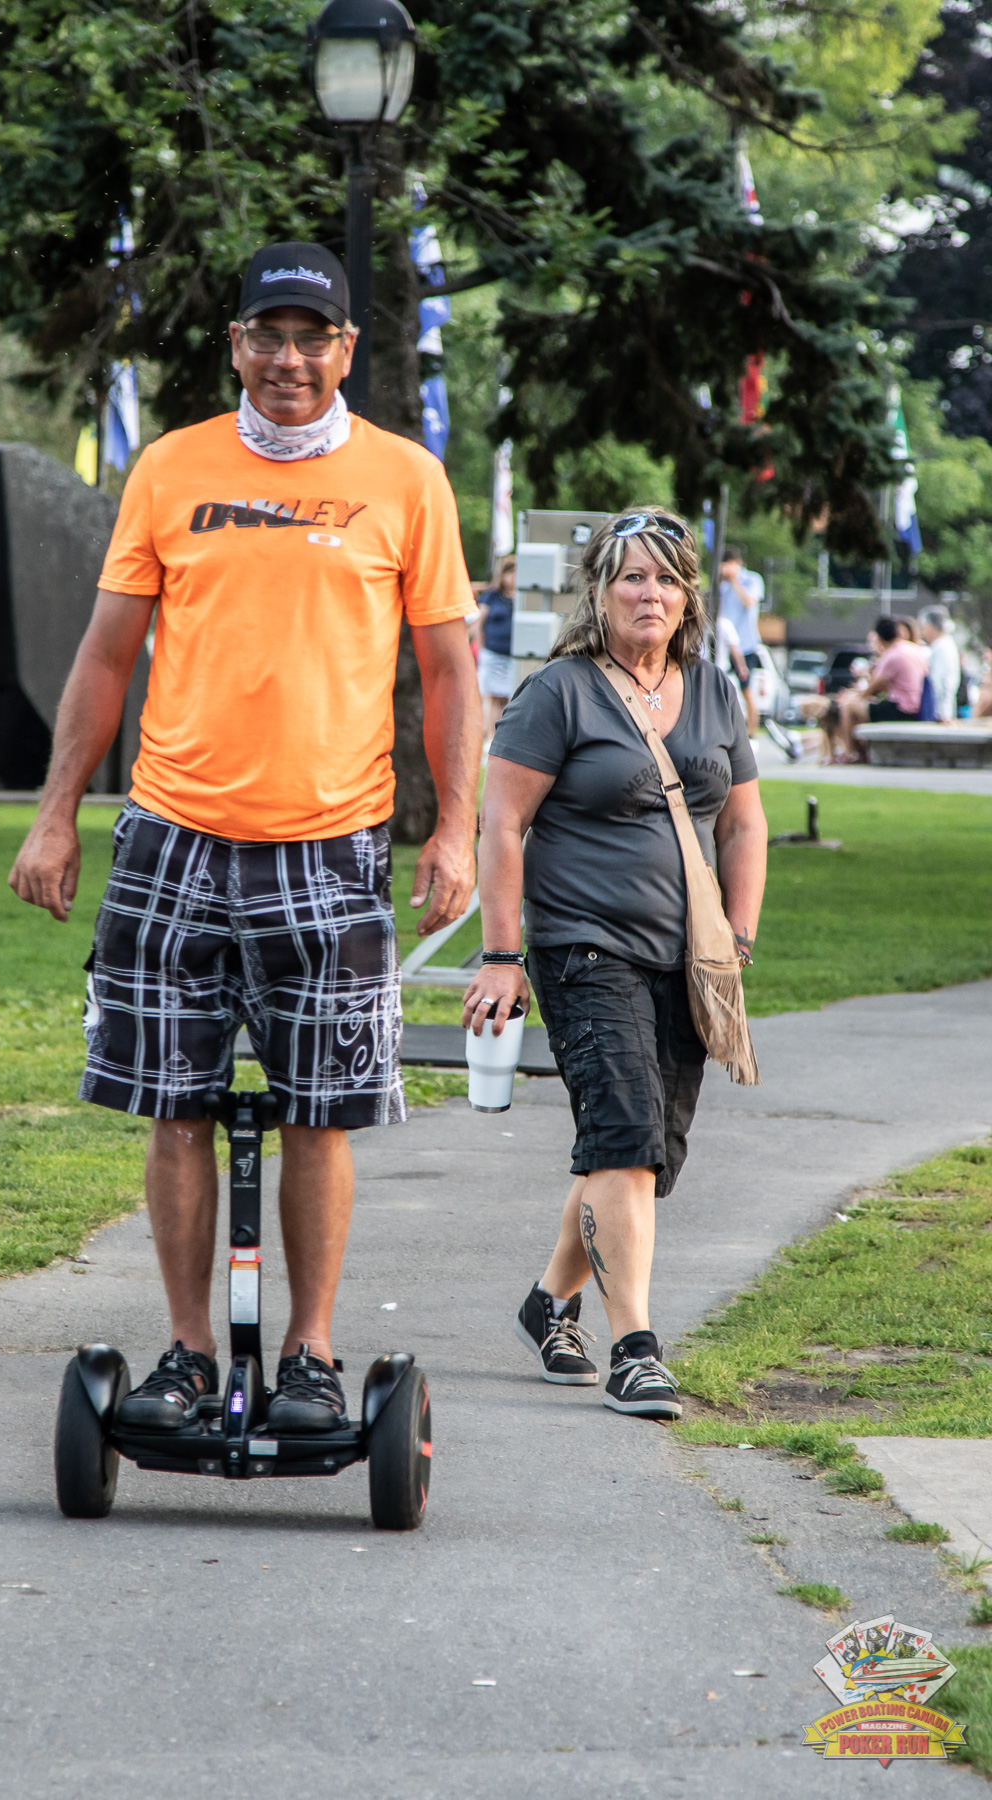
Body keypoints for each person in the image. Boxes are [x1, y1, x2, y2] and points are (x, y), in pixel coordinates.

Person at [9, 241, 481, 1435]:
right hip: (172, 840)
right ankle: (185, 1354)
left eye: (312, 339)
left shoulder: (407, 480)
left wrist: (457, 830)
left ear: (347, 351)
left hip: (330, 846)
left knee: (321, 1111)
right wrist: (56, 814)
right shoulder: (172, 467)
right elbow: (106, 656)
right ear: (236, 345)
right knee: (175, 1106)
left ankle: (311, 1357)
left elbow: (448, 671)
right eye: (268, 336)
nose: (289, 359)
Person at [465, 508, 767, 1419]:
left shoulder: (711, 689)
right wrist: (501, 956)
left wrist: (738, 936)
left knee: (642, 1152)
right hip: (584, 948)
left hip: (689, 957)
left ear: (689, 597)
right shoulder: (558, 693)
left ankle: (548, 1302)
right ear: (598, 593)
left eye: (668, 578)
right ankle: (635, 1348)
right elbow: (502, 824)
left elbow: (742, 822)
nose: (651, 593)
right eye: (632, 576)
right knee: (628, 1133)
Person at [838, 615, 926, 757]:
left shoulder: (892, 654)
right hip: (917, 705)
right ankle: (862, 751)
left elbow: (872, 688)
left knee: (849, 706)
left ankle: (851, 754)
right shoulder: (912, 649)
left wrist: (854, 695)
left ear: (879, 638)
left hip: (902, 710)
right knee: (863, 705)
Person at [716, 545, 763, 736]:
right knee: (719, 687)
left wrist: (734, 579)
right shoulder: (722, 585)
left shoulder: (752, 579)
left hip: (746, 645)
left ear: (738, 563)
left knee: (747, 690)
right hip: (726, 646)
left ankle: (751, 732)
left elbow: (749, 602)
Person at [476, 554, 517, 744]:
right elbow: (479, 623)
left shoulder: (522, 597)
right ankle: (489, 736)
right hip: (492, 653)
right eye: (510, 573)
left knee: (510, 697)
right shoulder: (491, 596)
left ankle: (504, 738)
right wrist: (480, 648)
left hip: (512, 656)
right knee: (490, 696)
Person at [919, 606, 961, 722]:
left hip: (940, 713)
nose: (922, 632)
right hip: (945, 710)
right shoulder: (945, 644)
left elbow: (940, 684)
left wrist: (942, 714)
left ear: (930, 626)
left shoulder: (941, 648)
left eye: (923, 628)